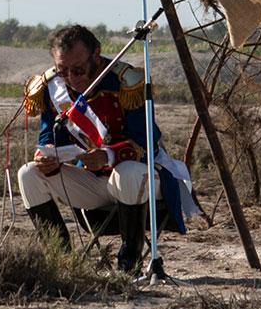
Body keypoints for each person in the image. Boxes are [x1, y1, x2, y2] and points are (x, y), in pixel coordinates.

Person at [17, 23, 192, 272]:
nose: (71, 78)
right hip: (93, 181)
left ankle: (128, 262)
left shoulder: (125, 82)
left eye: (78, 70)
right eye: (62, 70)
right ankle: (60, 261)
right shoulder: (52, 89)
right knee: (28, 173)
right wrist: (46, 156)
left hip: (144, 179)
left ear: (96, 56)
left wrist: (107, 155)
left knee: (128, 172)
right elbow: (49, 136)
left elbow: (145, 142)